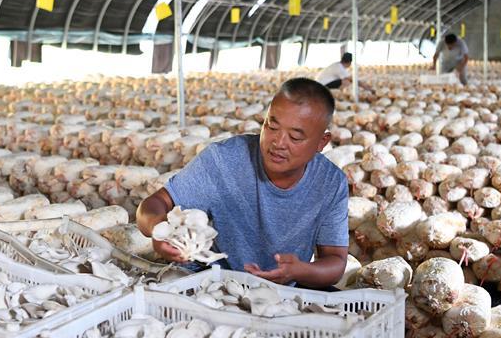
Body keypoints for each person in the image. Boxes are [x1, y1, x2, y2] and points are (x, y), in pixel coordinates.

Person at [136, 78, 348, 288]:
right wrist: (160, 228)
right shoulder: (224, 160)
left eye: (294, 137)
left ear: (321, 142)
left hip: (280, 294)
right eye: (272, 126)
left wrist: (301, 271)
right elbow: (151, 205)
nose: (278, 143)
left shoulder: (330, 183)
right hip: (212, 284)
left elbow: (336, 263)